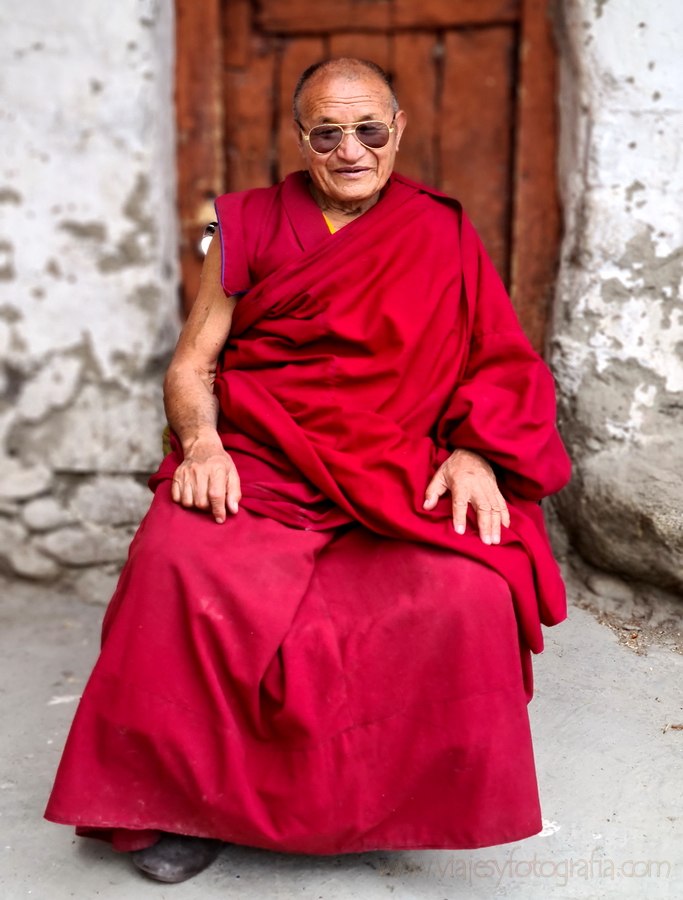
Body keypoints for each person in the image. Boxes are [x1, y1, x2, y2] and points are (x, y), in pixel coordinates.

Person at [45, 57, 571, 884]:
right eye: (328, 133)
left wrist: (474, 452)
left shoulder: (440, 232)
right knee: (173, 566)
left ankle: (386, 800)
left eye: (368, 130)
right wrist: (202, 445)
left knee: (466, 590)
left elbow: (499, 360)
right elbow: (191, 367)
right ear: (301, 139)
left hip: (395, 465)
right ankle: (178, 806)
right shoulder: (247, 225)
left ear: (396, 130)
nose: (350, 150)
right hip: (261, 457)